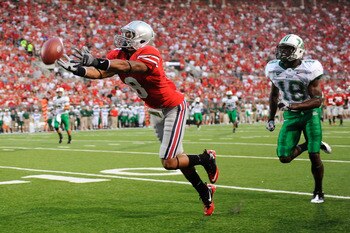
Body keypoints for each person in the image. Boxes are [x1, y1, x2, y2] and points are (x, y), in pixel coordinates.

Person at [57, 20, 219, 216]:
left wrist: (97, 61)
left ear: (141, 39)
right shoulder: (117, 54)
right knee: (177, 157)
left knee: (168, 161)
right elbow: (101, 72)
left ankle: (205, 158)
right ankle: (205, 191)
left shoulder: (149, 52)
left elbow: (130, 66)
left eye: (129, 35)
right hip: (155, 110)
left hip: (173, 106)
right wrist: (78, 70)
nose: (124, 38)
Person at [265, 34, 332, 204]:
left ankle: (318, 191)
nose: (283, 52)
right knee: (284, 157)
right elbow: (274, 95)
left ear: (299, 51)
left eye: (288, 49)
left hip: (310, 115)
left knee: (314, 155)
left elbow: (318, 100)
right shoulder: (273, 68)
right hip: (291, 116)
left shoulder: (310, 68)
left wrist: (295, 106)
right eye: (282, 48)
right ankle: (308, 144)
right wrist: (270, 118)